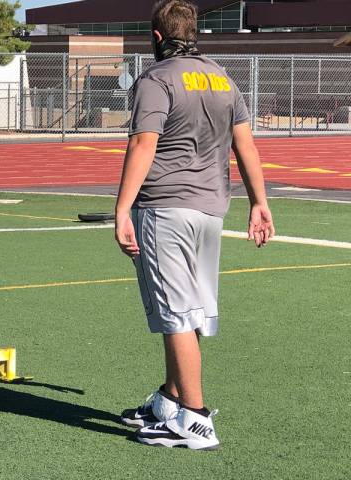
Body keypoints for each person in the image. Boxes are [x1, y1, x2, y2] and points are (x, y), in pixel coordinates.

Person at [114, 0, 275, 450]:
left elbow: (145, 143)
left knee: (177, 314)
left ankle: (195, 418)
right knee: (188, 313)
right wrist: (259, 202)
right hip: (211, 210)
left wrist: (122, 207)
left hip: (166, 207)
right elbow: (246, 144)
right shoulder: (222, 76)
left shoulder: (156, 78)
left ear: (158, 37)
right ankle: (171, 398)